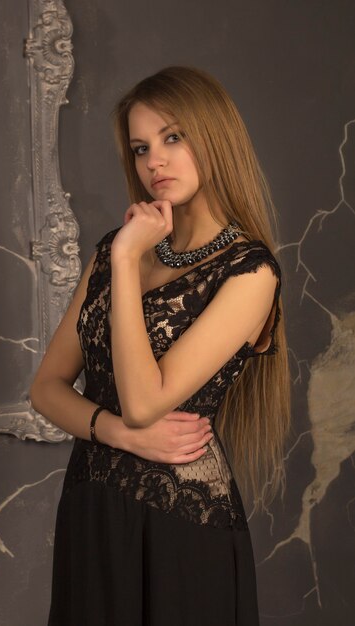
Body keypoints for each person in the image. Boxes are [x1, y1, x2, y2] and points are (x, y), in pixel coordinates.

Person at [30, 65, 291, 626]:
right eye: (141, 147)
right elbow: (46, 387)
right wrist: (117, 431)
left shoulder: (250, 273)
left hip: (180, 523)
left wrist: (126, 261)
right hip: (92, 511)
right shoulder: (115, 249)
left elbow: (149, 401)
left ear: (213, 136)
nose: (155, 161)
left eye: (173, 137)